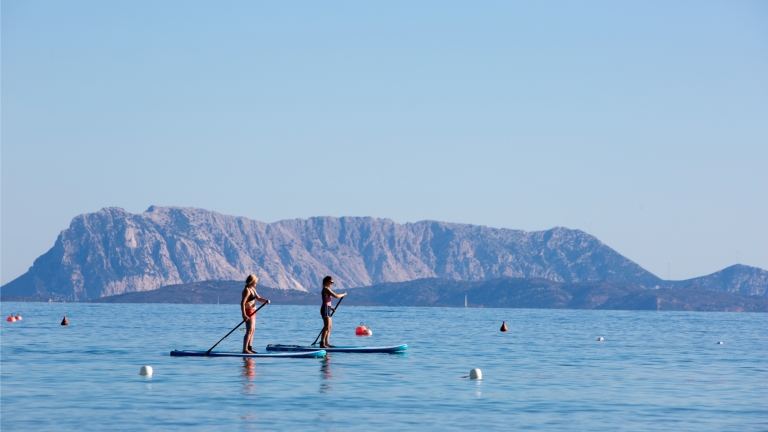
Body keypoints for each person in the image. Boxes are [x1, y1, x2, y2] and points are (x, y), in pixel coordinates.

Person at [241, 274, 269, 354]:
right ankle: (245, 349)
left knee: (252, 330)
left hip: (253, 311)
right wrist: (244, 314)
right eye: (255, 282)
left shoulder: (252, 289)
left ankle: (249, 348)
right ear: (251, 282)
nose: (256, 284)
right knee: (249, 331)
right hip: (248, 311)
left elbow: (259, 298)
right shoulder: (246, 290)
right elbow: (242, 303)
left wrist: (265, 300)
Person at [319, 276, 346, 348]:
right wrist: (343, 294)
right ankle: (322, 343)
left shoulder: (328, 289)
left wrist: (331, 308)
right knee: (326, 327)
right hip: (325, 309)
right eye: (331, 282)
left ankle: (327, 343)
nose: (332, 284)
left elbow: (327, 300)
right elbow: (336, 296)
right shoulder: (326, 289)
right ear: (327, 282)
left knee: (330, 327)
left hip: (328, 308)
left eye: (332, 283)